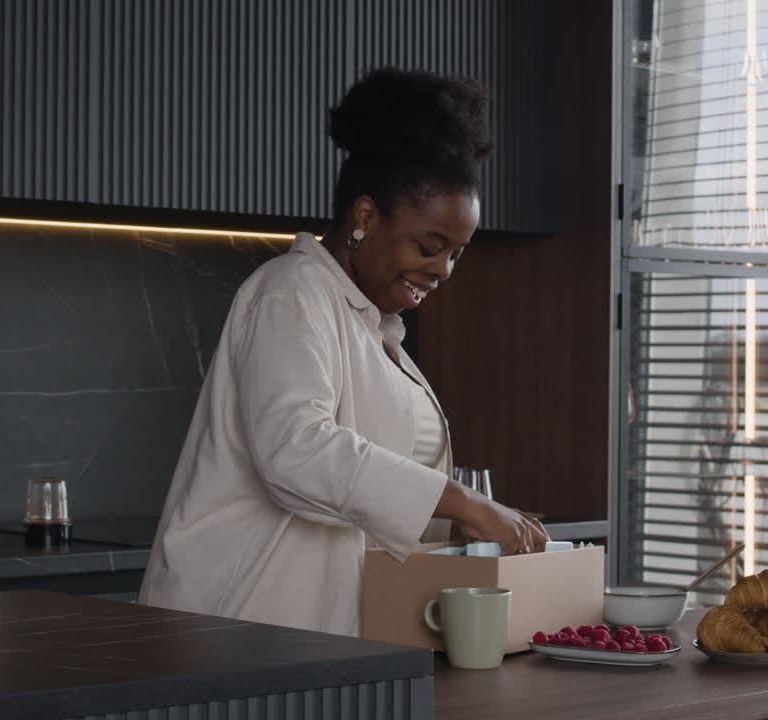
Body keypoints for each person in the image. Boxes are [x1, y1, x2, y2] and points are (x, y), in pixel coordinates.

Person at [138, 68, 548, 637]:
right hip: (235, 624)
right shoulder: (290, 290)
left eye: (457, 253)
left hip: (314, 635)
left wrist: (446, 526)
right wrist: (462, 502)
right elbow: (297, 451)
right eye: (430, 246)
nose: (443, 270)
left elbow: (370, 498)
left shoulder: (375, 330)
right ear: (364, 217)